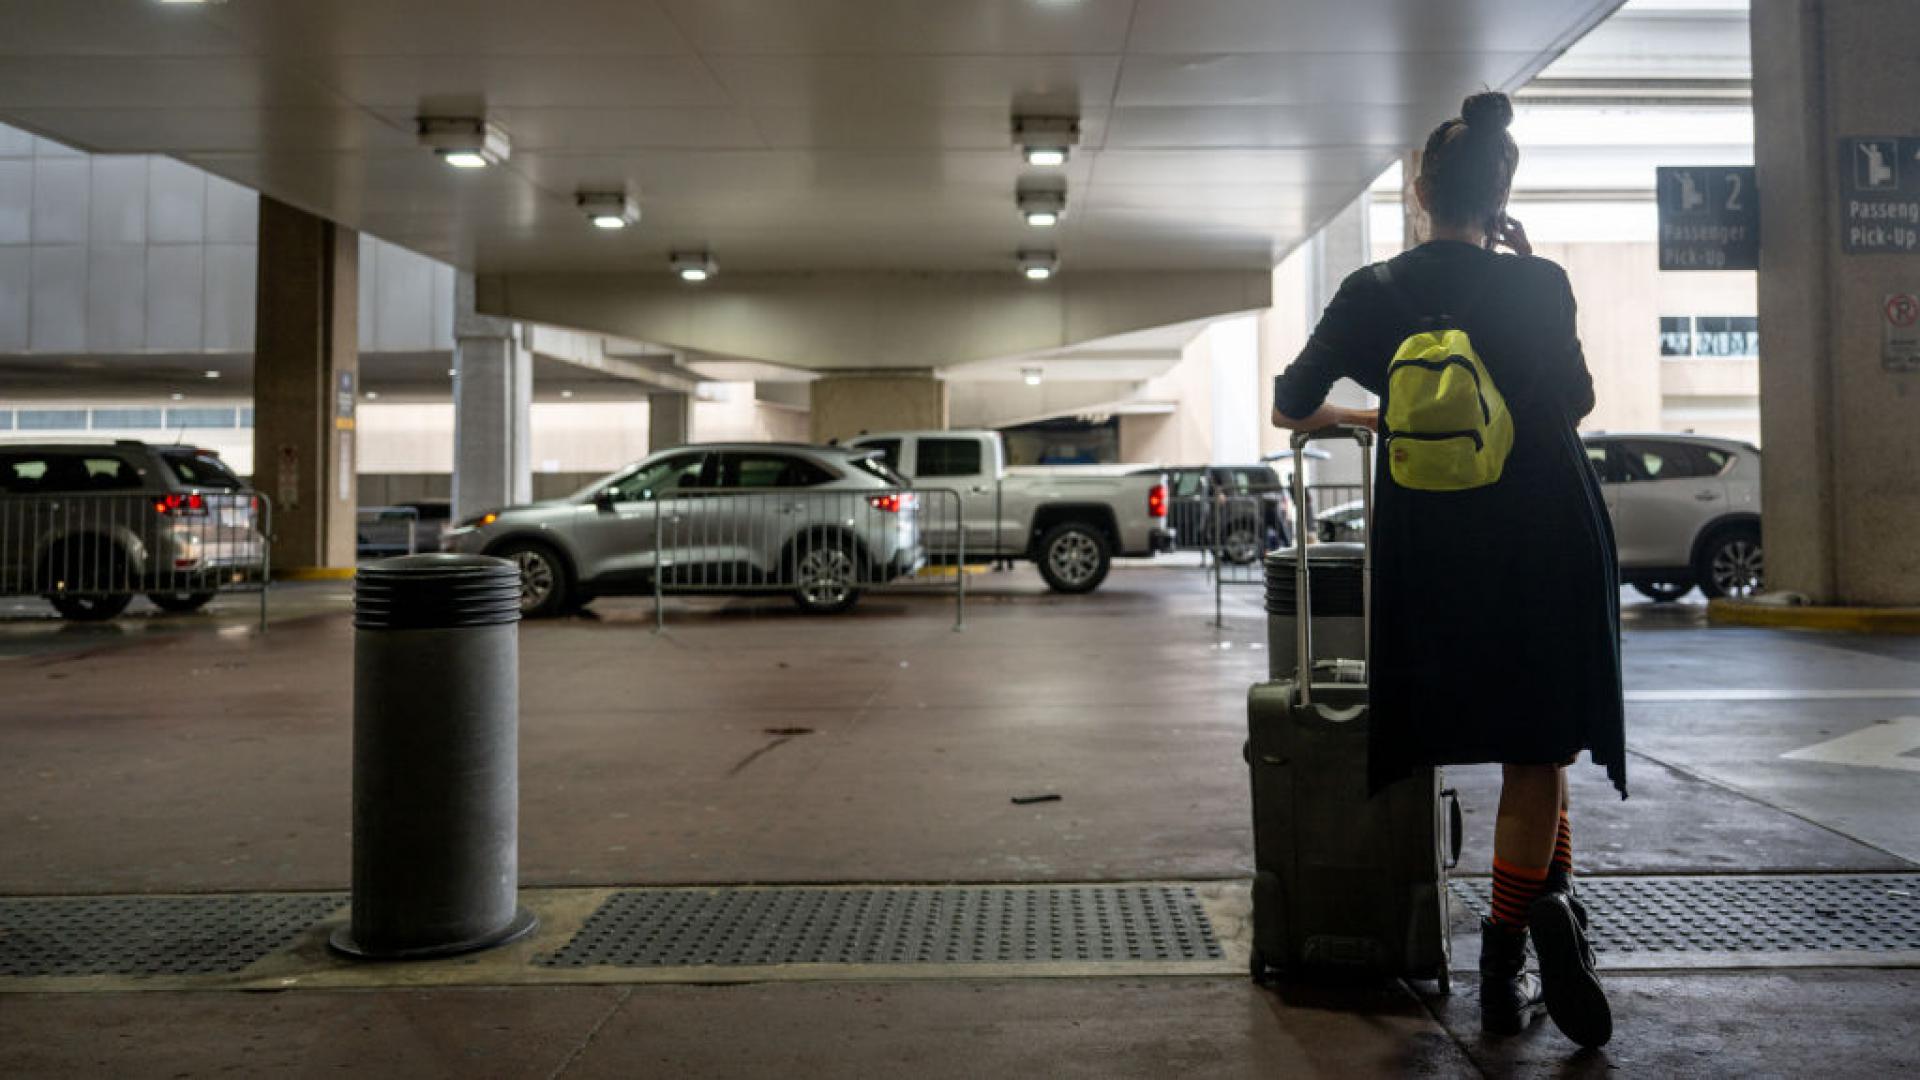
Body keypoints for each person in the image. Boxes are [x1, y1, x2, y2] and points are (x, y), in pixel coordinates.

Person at [1269, 91, 1624, 1048]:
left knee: (1503, 735)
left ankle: (1545, 911)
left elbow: (1291, 403)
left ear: (1422, 189)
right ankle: (1513, 946)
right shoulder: (1540, 284)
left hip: (1433, 544)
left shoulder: (1371, 291)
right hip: (1547, 529)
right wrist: (1521, 267)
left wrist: (1374, 417)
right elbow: (1577, 402)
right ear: (1502, 190)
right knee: (1538, 745)